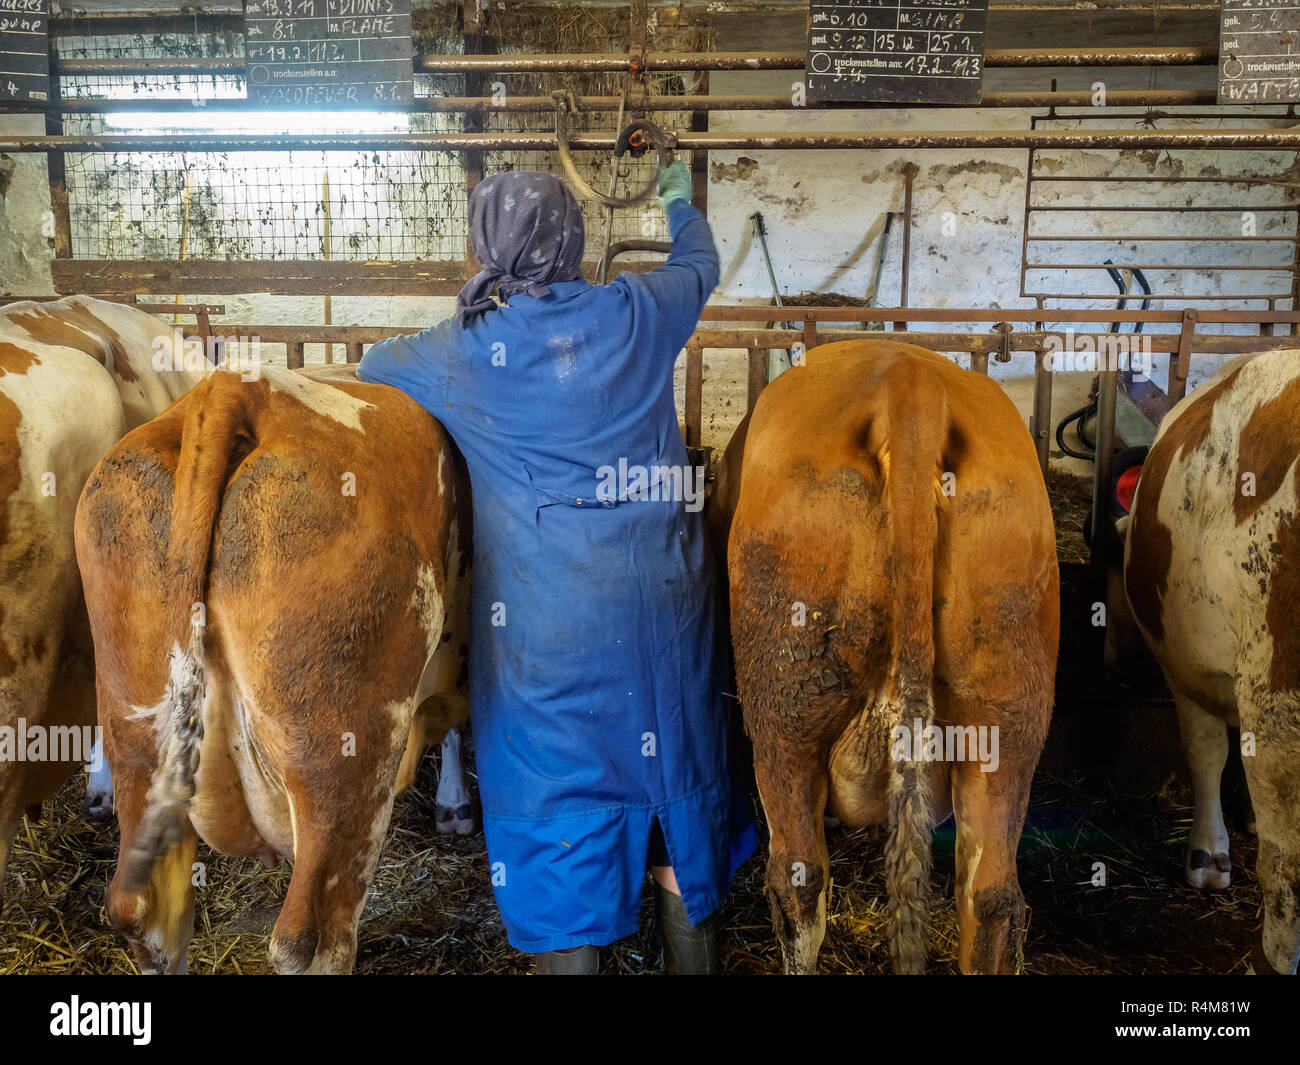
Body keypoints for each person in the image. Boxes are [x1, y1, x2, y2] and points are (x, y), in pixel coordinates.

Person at [357, 162, 757, 975]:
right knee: (675, 777)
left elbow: (370, 365)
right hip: (667, 614)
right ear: (574, 241)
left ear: (485, 245)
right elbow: (702, 265)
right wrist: (676, 197)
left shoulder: (463, 351)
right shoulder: (638, 309)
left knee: (556, 809)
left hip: (548, 633)